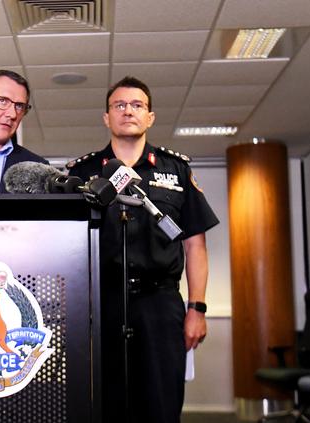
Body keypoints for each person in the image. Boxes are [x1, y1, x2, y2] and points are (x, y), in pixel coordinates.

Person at [68, 76, 219, 422]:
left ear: (150, 117)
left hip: (159, 306)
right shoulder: (84, 173)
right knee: (101, 403)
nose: (128, 111)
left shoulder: (176, 171)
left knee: (160, 403)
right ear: (106, 117)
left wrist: (197, 308)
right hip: (100, 305)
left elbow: (196, 246)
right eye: (119, 105)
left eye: (137, 105)